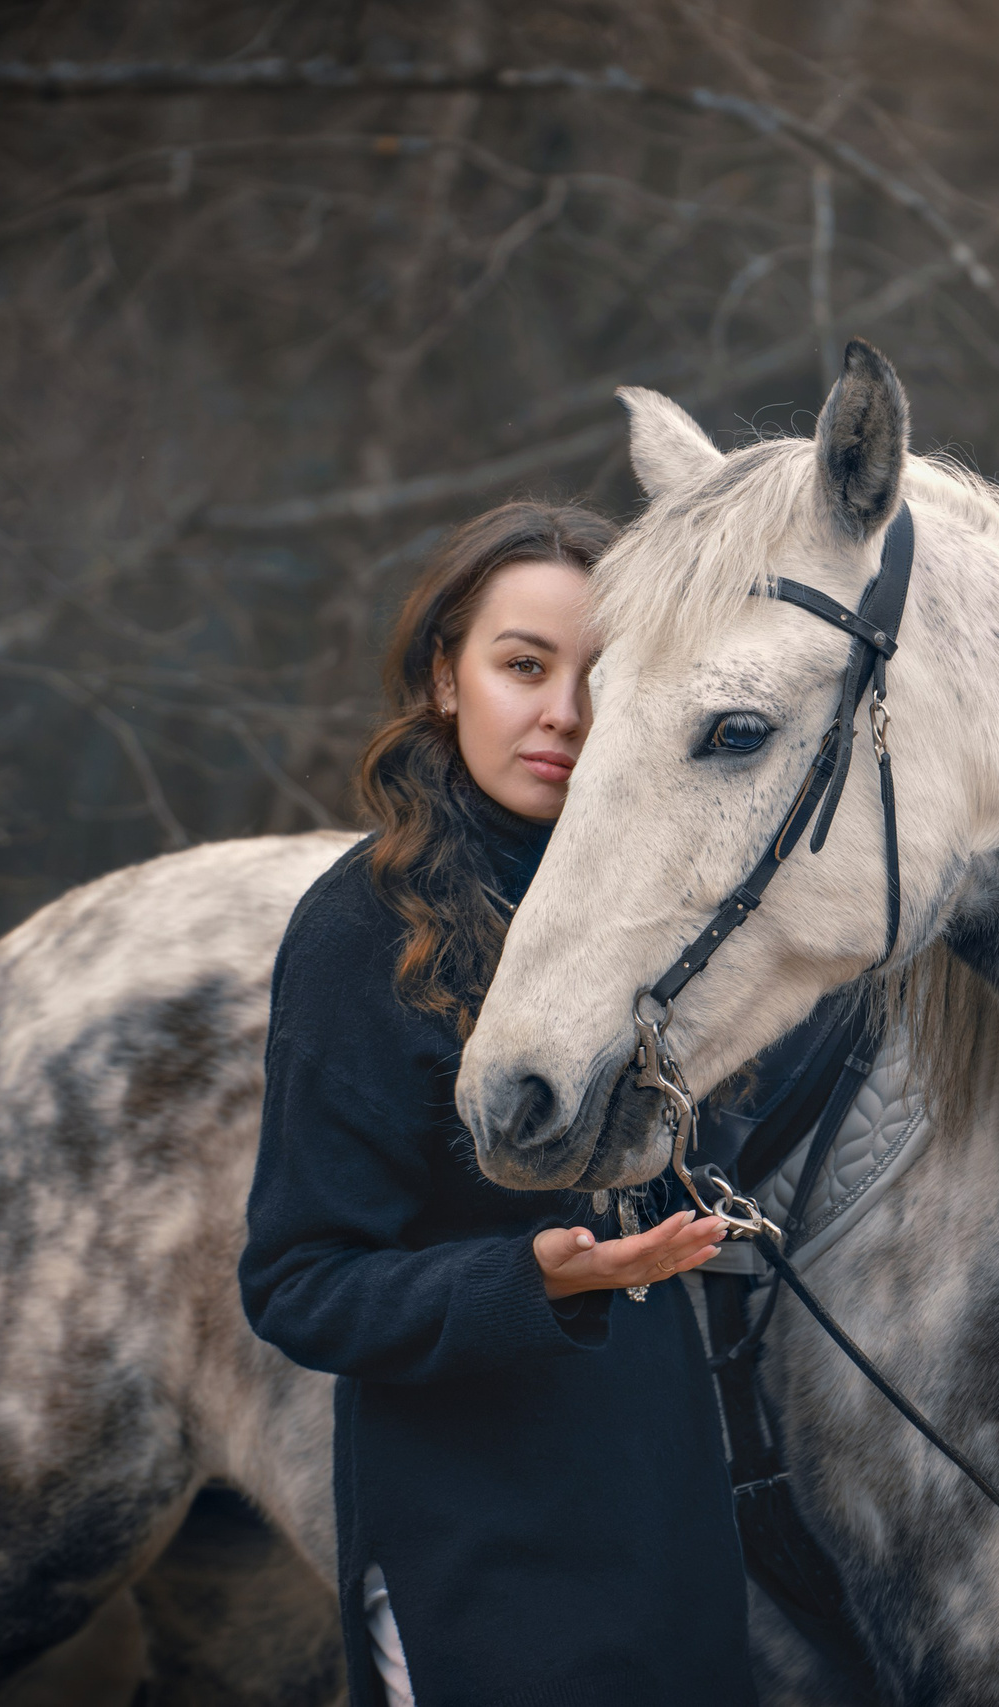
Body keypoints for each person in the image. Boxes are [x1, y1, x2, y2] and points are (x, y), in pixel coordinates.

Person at [239, 501, 759, 1707]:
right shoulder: (364, 929)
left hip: (671, 1543)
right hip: (472, 1557)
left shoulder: (678, 915)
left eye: (604, 674)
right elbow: (299, 1282)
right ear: (443, 675)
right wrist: (535, 1280)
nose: (564, 714)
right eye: (523, 665)